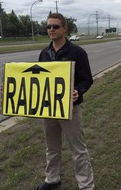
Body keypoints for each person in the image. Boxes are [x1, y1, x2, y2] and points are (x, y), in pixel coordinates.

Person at [36, 13, 94, 190]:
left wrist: (78, 91)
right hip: (48, 109)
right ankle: (52, 179)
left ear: (64, 28)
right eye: (48, 27)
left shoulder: (77, 52)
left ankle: (86, 185)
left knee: (78, 150)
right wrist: (9, 91)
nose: (51, 30)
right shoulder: (44, 53)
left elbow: (87, 79)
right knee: (51, 147)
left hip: (70, 109)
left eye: (55, 26)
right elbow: (36, 80)